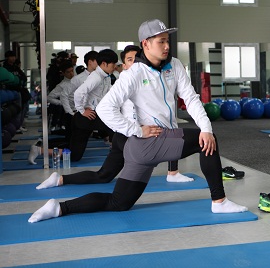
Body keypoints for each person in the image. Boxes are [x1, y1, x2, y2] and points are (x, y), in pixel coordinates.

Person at [28, 19, 247, 223]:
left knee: (118, 202)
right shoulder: (133, 74)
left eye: (167, 41)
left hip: (144, 148)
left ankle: (59, 208)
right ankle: (219, 201)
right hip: (149, 140)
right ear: (146, 44)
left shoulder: (175, 66)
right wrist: (136, 130)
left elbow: (190, 98)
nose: (166, 46)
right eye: (161, 41)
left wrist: (205, 127)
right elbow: (105, 108)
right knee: (207, 141)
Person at [35, 45, 193, 188]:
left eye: (137, 59)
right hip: (127, 137)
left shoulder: (142, 80)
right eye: (130, 60)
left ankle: (60, 179)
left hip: (125, 137)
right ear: (124, 66)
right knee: (110, 176)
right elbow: (107, 108)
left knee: (103, 176)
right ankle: (171, 173)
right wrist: (82, 110)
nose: (135, 63)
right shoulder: (123, 83)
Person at [69, 49, 117, 162]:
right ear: (104, 64)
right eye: (113, 64)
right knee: (74, 155)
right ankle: (42, 150)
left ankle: (117, 151)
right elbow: (78, 93)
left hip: (95, 115)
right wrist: (82, 110)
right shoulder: (95, 77)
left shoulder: (107, 76)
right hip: (86, 117)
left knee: (115, 126)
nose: (115, 67)